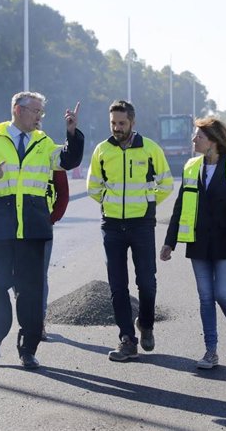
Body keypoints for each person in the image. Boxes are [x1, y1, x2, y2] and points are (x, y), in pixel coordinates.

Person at [0, 91, 84, 369]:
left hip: (33, 226)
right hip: (0, 225)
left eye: (42, 112)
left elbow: (67, 160)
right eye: (36, 111)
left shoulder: (44, 142)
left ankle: (28, 349)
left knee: (31, 291)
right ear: (18, 110)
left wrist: (72, 134)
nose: (40, 116)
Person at [160, 117, 226, 369]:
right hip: (199, 242)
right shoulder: (191, 167)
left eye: (198, 137)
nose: (193, 140)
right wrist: (170, 242)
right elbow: (180, 205)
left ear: (212, 141)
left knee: (222, 293)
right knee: (205, 297)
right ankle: (211, 351)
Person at [86, 100, 174, 361]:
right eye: (113, 123)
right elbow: (93, 187)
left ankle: (145, 324)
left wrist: (147, 206)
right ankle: (127, 339)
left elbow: (166, 184)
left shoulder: (150, 150)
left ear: (132, 122)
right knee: (117, 285)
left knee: (147, 282)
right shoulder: (102, 150)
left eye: (122, 123)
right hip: (112, 226)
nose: (117, 128)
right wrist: (109, 204)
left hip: (142, 225)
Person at [41, 169, 70, 341]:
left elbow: (63, 194)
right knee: (17, 276)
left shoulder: (49, 152)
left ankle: (38, 321)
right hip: (11, 225)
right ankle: (27, 311)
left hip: (42, 225)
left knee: (38, 276)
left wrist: (52, 218)